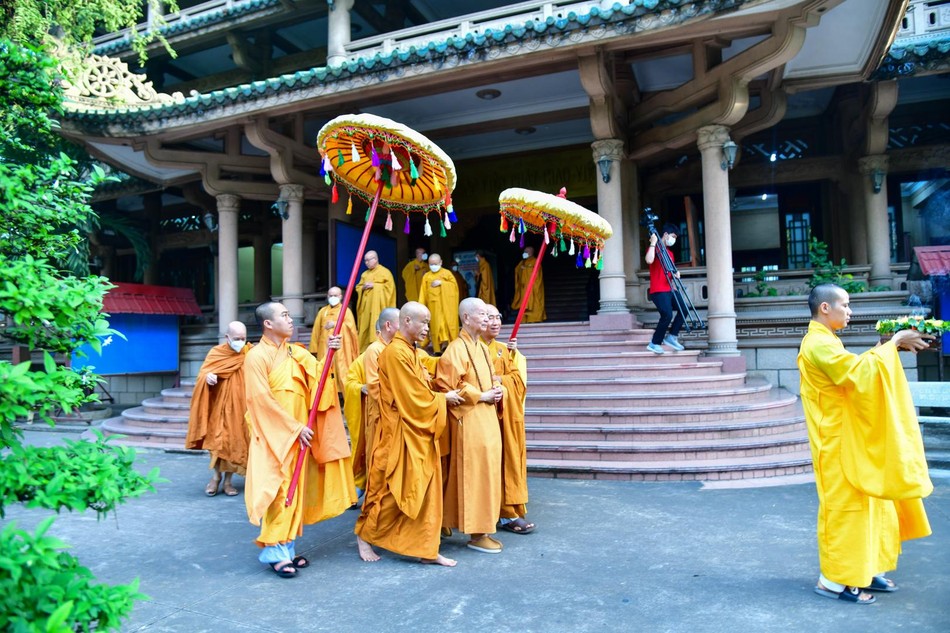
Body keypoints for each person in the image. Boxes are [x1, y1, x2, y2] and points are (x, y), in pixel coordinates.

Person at [798, 284, 933, 604]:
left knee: (872, 501)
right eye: (845, 305)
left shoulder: (827, 340)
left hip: (851, 437)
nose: (850, 311)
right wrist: (894, 342)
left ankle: (864, 568)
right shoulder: (816, 343)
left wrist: (889, 345)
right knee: (845, 511)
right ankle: (834, 580)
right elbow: (855, 372)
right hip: (835, 443)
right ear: (825, 309)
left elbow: (857, 372)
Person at [244, 302, 356, 578]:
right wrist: (293, 428)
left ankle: (286, 549)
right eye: (283, 315)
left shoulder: (296, 353)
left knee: (295, 492)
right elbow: (260, 401)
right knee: (279, 490)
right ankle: (274, 550)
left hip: (299, 437)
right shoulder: (256, 357)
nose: (291, 319)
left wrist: (331, 351)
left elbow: (320, 377)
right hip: (275, 436)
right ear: (268, 324)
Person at [354, 302, 463, 566]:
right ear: (405, 322)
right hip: (401, 432)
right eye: (423, 322)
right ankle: (365, 534)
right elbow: (413, 398)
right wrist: (442, 399)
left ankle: (426, 549)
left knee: (424, 490)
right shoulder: (395, 353)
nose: (427, 328)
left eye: (428, 322)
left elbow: (422, 383)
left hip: (418, 431)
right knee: (393, 489)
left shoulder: (412, 351)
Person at [436, 297, 504, 554]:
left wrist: (496, 389)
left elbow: (487, 378)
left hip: (487, 419)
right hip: (470, 420)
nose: (488, 319)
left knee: (486, 473)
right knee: (474, 476)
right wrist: (480, 395)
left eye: (489, 314)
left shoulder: (482, 347)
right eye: (482, 314)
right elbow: (446, 386)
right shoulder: (455, 348)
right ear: (466, 318)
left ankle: (455, 522)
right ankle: (478, 533)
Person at [481, 304, 535, 534]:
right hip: (481, 420)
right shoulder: (466, 349)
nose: (495, 322)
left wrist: (501, 379)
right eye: (489, 317)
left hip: (503, 419)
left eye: (498, 317)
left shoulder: (502, 350)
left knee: (507, 463)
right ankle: (487, 514)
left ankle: (508, 512)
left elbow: (516, 379)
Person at [186, 320, 251, 498]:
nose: (240, 341)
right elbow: (203, 375)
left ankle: (229, 481)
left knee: (234, 443)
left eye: (243, 338)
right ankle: (216, 477)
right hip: (219, 406)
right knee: (217, 442)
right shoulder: (217, 353)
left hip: (240, 407)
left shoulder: (249, 352)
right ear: (227, 337)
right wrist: (208, 378)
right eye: (236, 338)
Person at [342, 308, 400, 494]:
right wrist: (361, 388)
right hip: (373, 410)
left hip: (391, 411)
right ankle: (362, 485)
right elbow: (350, 382)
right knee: (372, 451)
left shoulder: (401, 350)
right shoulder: (370, 354)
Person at [308, 286, 358, 396]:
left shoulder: (346, 311)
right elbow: (316, 330)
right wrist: (314, 349)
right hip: (324, 348)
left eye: (335, 295)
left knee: (342, 372)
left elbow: (351, 330)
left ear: (341, 296)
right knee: (325, 373)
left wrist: (335, 324)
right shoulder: (323, 311)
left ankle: (347, 400)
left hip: (341, 348)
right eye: (330, 295)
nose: (333, 297)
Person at [644, 223, 685, 354]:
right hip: (658, 290)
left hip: (670, 289)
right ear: (666, 235)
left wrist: (675, 275)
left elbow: (669, 272)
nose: (674, 240)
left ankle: (672, 337)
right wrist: (653, 243)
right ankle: (654, 343)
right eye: (673, 236)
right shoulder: (655, 248)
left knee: (684, 310)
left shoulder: (670, 253)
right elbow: (649, 260)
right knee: (667, 315)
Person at [418, 253, 460, 354]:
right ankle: (437, 350)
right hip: (434, 309)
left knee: (448, 327)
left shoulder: (447, 274)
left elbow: (455, 288)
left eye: (435, 264)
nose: (433, 266)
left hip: (447, 309)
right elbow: (423, 294)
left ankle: (451, 348)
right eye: (431, 264)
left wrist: (442, 283)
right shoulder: (426, 277)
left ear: (441, 263)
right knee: (436, 329)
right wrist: (421, 308)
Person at [356, 250, 396, 352]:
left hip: (379, 308)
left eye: (369, 260)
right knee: (365, 330)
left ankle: (379, 350)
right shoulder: (364, 274)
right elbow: (358, 287)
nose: (366, 263)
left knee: (377, 328)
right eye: (365, 261)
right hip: (366, 309)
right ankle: (364, 352)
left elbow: (390, 289)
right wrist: (363, 288)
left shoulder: (385, 272)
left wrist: (375, 286)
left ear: (376, 259)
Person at [510, 245, 546, 323]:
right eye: (524, 252)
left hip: (532, 288)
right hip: (524, 288)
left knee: (534, 304)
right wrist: (521, 269)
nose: (524, 253)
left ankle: (535, 319)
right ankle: (524, 320)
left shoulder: (535, 262)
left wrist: (526, 269)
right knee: (524, 304)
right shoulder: (522, 262)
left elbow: (537, 275)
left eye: (526, 252)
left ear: (531, 253)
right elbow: (517, 270)